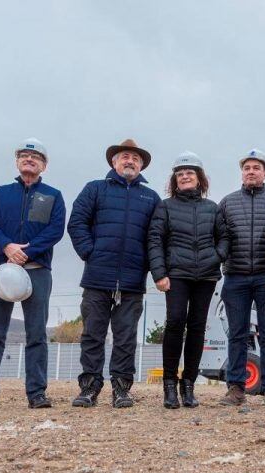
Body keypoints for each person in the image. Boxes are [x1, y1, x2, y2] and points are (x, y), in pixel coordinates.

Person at [0, 138, 65, 409]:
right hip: (2, 270)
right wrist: (6, 246)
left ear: (43, 165)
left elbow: (56, 230)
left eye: (35, 157)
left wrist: (28, 252)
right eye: (24, 155)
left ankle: (36, 393)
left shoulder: (53, 195)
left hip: (37, 271)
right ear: (16, 161)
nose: (29, 159)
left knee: (36, 334)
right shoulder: (1, 193)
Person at [67, 139, 160, 408]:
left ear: (141, 164)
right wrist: (90, 253)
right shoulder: (95, 189)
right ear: (113, 162)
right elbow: (77, 222)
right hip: (97, 278)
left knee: (126, 338)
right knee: (92, 335)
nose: (130, 161)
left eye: (135, 158)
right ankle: (89, 388)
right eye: (124, 157)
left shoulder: (150, 198)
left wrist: (150, 268)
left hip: (132, 281)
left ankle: (121, 389)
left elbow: (155, 237)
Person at [148, 151, 228, 409]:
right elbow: (155, 241)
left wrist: (217, 256)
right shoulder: (165, 207)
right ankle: (169, 386)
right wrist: (159, 273)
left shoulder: (212, 208)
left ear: (199, 178)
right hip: (177, 275)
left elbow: (224, 238)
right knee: (175, 323)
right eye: (180, 174)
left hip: (206, 276)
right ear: (175, 180)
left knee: (197, 327)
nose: (184, 176)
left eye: (189, 173)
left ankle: (189, 385)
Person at [218, 149, 265, 406]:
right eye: (247, 168)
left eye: (257, 167)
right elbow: (218, 237)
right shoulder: (227, 202)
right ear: (242, 173)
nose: (251, 171)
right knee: (237, 333)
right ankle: (235, 388)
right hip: (236, 276)